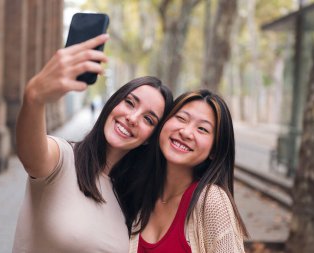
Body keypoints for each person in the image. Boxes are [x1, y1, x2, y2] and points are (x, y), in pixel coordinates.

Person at [13, 34, 173, 253]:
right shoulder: (62, 159)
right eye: (129, 103)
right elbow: (30, 155)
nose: (133, 118)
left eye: (148, 119)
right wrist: (34, 98)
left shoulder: (135, 199)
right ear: (113, 104)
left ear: (150, 139)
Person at [128, 90, 248, 253]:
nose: (185, 132)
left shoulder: (211, 201)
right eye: (181, 118)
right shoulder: (140, 190)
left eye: (202, 129)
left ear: (214, 150)